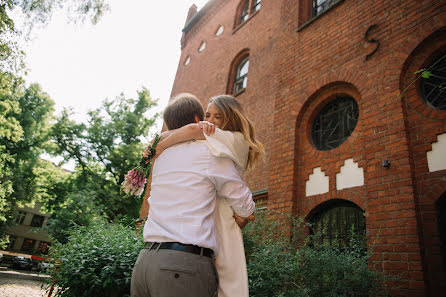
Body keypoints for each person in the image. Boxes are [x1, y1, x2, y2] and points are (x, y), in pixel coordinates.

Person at [130, 93, 255, 297]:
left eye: (217, 117)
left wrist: (158, 145)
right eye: (207, 116)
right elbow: (244, 203)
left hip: (144, 263)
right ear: (199, 119)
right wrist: (246, 214)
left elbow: (183, 133)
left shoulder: (163, 158)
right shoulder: (211, 153)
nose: (210, 122)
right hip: (181, 267)